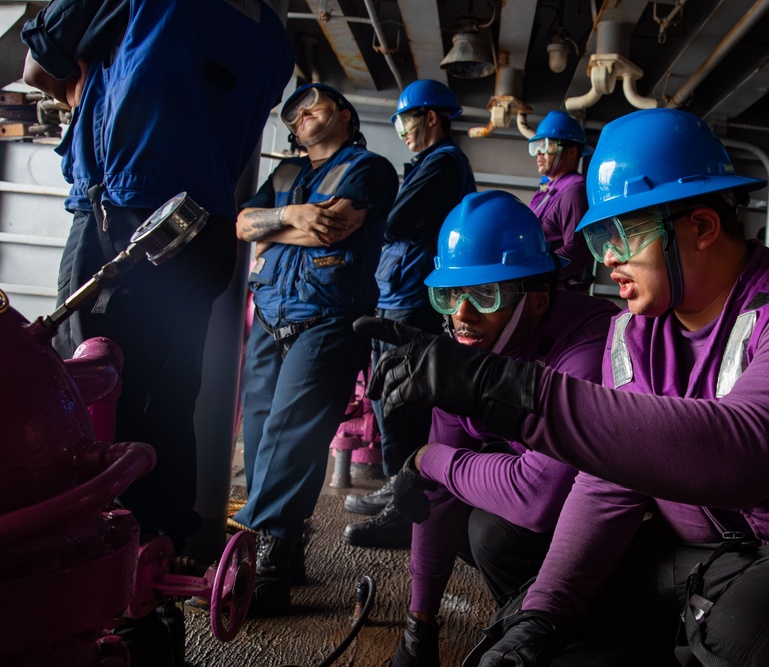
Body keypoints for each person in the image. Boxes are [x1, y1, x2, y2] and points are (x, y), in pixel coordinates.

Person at [367, 108, 769, 666]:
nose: (609, 261)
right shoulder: (633, 332)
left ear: (702, 226)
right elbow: (610, 484)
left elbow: (741, 455)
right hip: (706, 552)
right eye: (600, 241)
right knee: (529, 631)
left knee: (751, 634)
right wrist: (546, 613)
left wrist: (505, 388)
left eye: (623, 235)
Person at [21, 2, 293, 664]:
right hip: (202, 235)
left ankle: (81, 601)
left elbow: (39, 64)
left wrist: (86, 89)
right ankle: (151, 608)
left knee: (87, 405)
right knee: (169, 405)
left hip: (123, 216)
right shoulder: (272, 36)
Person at [354, 190, 619, 666]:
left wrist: (425, 459)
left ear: (537, 299)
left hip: (620, 533)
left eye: (484, 294)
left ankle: (569, 632)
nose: (461, 314)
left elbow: (539, 498)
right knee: (451, 508)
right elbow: (435, 493)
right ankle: (529, 615)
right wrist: (420, 627)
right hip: (543, 502)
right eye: (450, 293)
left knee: (492, 530)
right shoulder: (467, 348)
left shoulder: (588, 345)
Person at [230, 83, 399, 614]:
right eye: (295, 114)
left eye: (313, 107)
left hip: (328, 318)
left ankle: (267, 570)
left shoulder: (368, 169)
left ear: (345, 114)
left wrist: (280, 225)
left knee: (290, 433)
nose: (303, 117)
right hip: (272, 317)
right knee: (258, 436)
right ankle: (287, 551)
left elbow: (334, 228)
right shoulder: (283, 176)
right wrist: (294, 215)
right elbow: (241, 225)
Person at [344, 79, 476, 549]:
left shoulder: (442, 163)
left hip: (412, 296)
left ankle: (407, 512)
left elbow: (397, 220)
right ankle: (397, 486)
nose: (400, 129)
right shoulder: (430, 164)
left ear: (432, 118)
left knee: (402, 401)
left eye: (405, 119)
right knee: (391, 399)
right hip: (400, 288)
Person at [527, 111, 594, 292]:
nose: (538, 153)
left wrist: (535, 272)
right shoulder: (547, 189)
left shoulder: (574, 191)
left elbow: (580, 250)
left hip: (556, 294)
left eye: (547, 146)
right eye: (536, 146)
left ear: (571, 150)